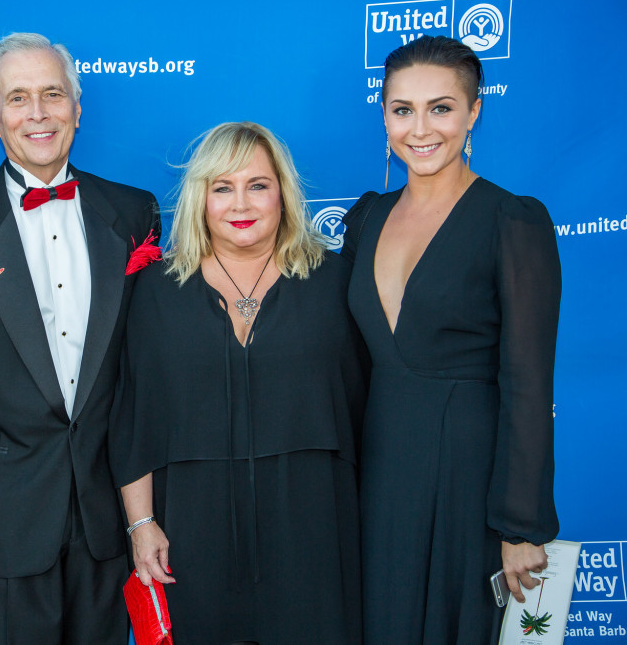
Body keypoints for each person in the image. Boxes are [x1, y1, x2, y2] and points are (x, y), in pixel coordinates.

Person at [0, 32, 160, 643]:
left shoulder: (133, 212)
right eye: (19, 99)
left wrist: (146, 517)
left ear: (78, 107)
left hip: (109, 520)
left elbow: (147, 373)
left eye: (53, 94)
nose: (38, 113)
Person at [112, 121, 367, 644]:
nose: (240, 203)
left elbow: (370, 410)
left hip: (314, 527)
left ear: (282, 193)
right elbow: (134, 416)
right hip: (192, 536)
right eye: (222, 187)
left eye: (258, 185)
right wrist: (141, 526)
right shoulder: (154, 292)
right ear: (200, 199)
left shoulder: (336, 283)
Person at [342, 35, 560, 644]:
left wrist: (520, 526)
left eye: (441, 108)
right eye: (401, 109)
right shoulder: (366, 217)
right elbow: (349, 359)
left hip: (470, 474)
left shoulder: (512, 220)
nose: (420, 129)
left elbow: (528, 381)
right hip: (379, 468)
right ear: (383, 113)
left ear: (473, 112)